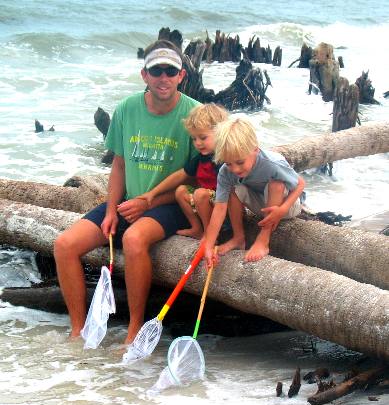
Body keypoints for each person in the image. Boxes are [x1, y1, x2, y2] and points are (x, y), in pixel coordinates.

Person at [54, 39, 200, 345]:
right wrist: (110, 210)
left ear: (181, 76)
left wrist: (148, 202)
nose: (163, 77)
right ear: (144, 74)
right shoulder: (126, 109)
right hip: (128, 202)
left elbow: (197, 182)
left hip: (171, 204)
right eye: (156, 70)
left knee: (134, 240)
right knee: (65, 244)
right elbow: (119, 165)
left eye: (170, 71)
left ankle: (134, 330)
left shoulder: (195, 116)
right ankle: (78, 329)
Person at [204, 116, 305, 265]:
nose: (235, 169)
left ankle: (263, 239)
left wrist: (282, 209)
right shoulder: (226, 172)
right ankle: (238, 237)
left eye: (240, 162)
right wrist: (208, 245)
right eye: (229, 163)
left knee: (276, 183)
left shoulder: (272, 163)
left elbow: (300, 184)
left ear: (255, 150)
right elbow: (220, 207)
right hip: (264, 205)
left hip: (288, 205)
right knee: (233, 188)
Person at [139, 103, 242, 241]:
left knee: (200, 193)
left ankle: (210, 234)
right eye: (194, 139)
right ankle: (197, 228)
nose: (198, 143)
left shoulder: (226, 158)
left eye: (203, 137)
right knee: (181, 190)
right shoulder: (201, 158)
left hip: (225, 207)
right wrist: (152, 193)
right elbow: (180, 175)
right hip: (206, 203)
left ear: (220, 133)